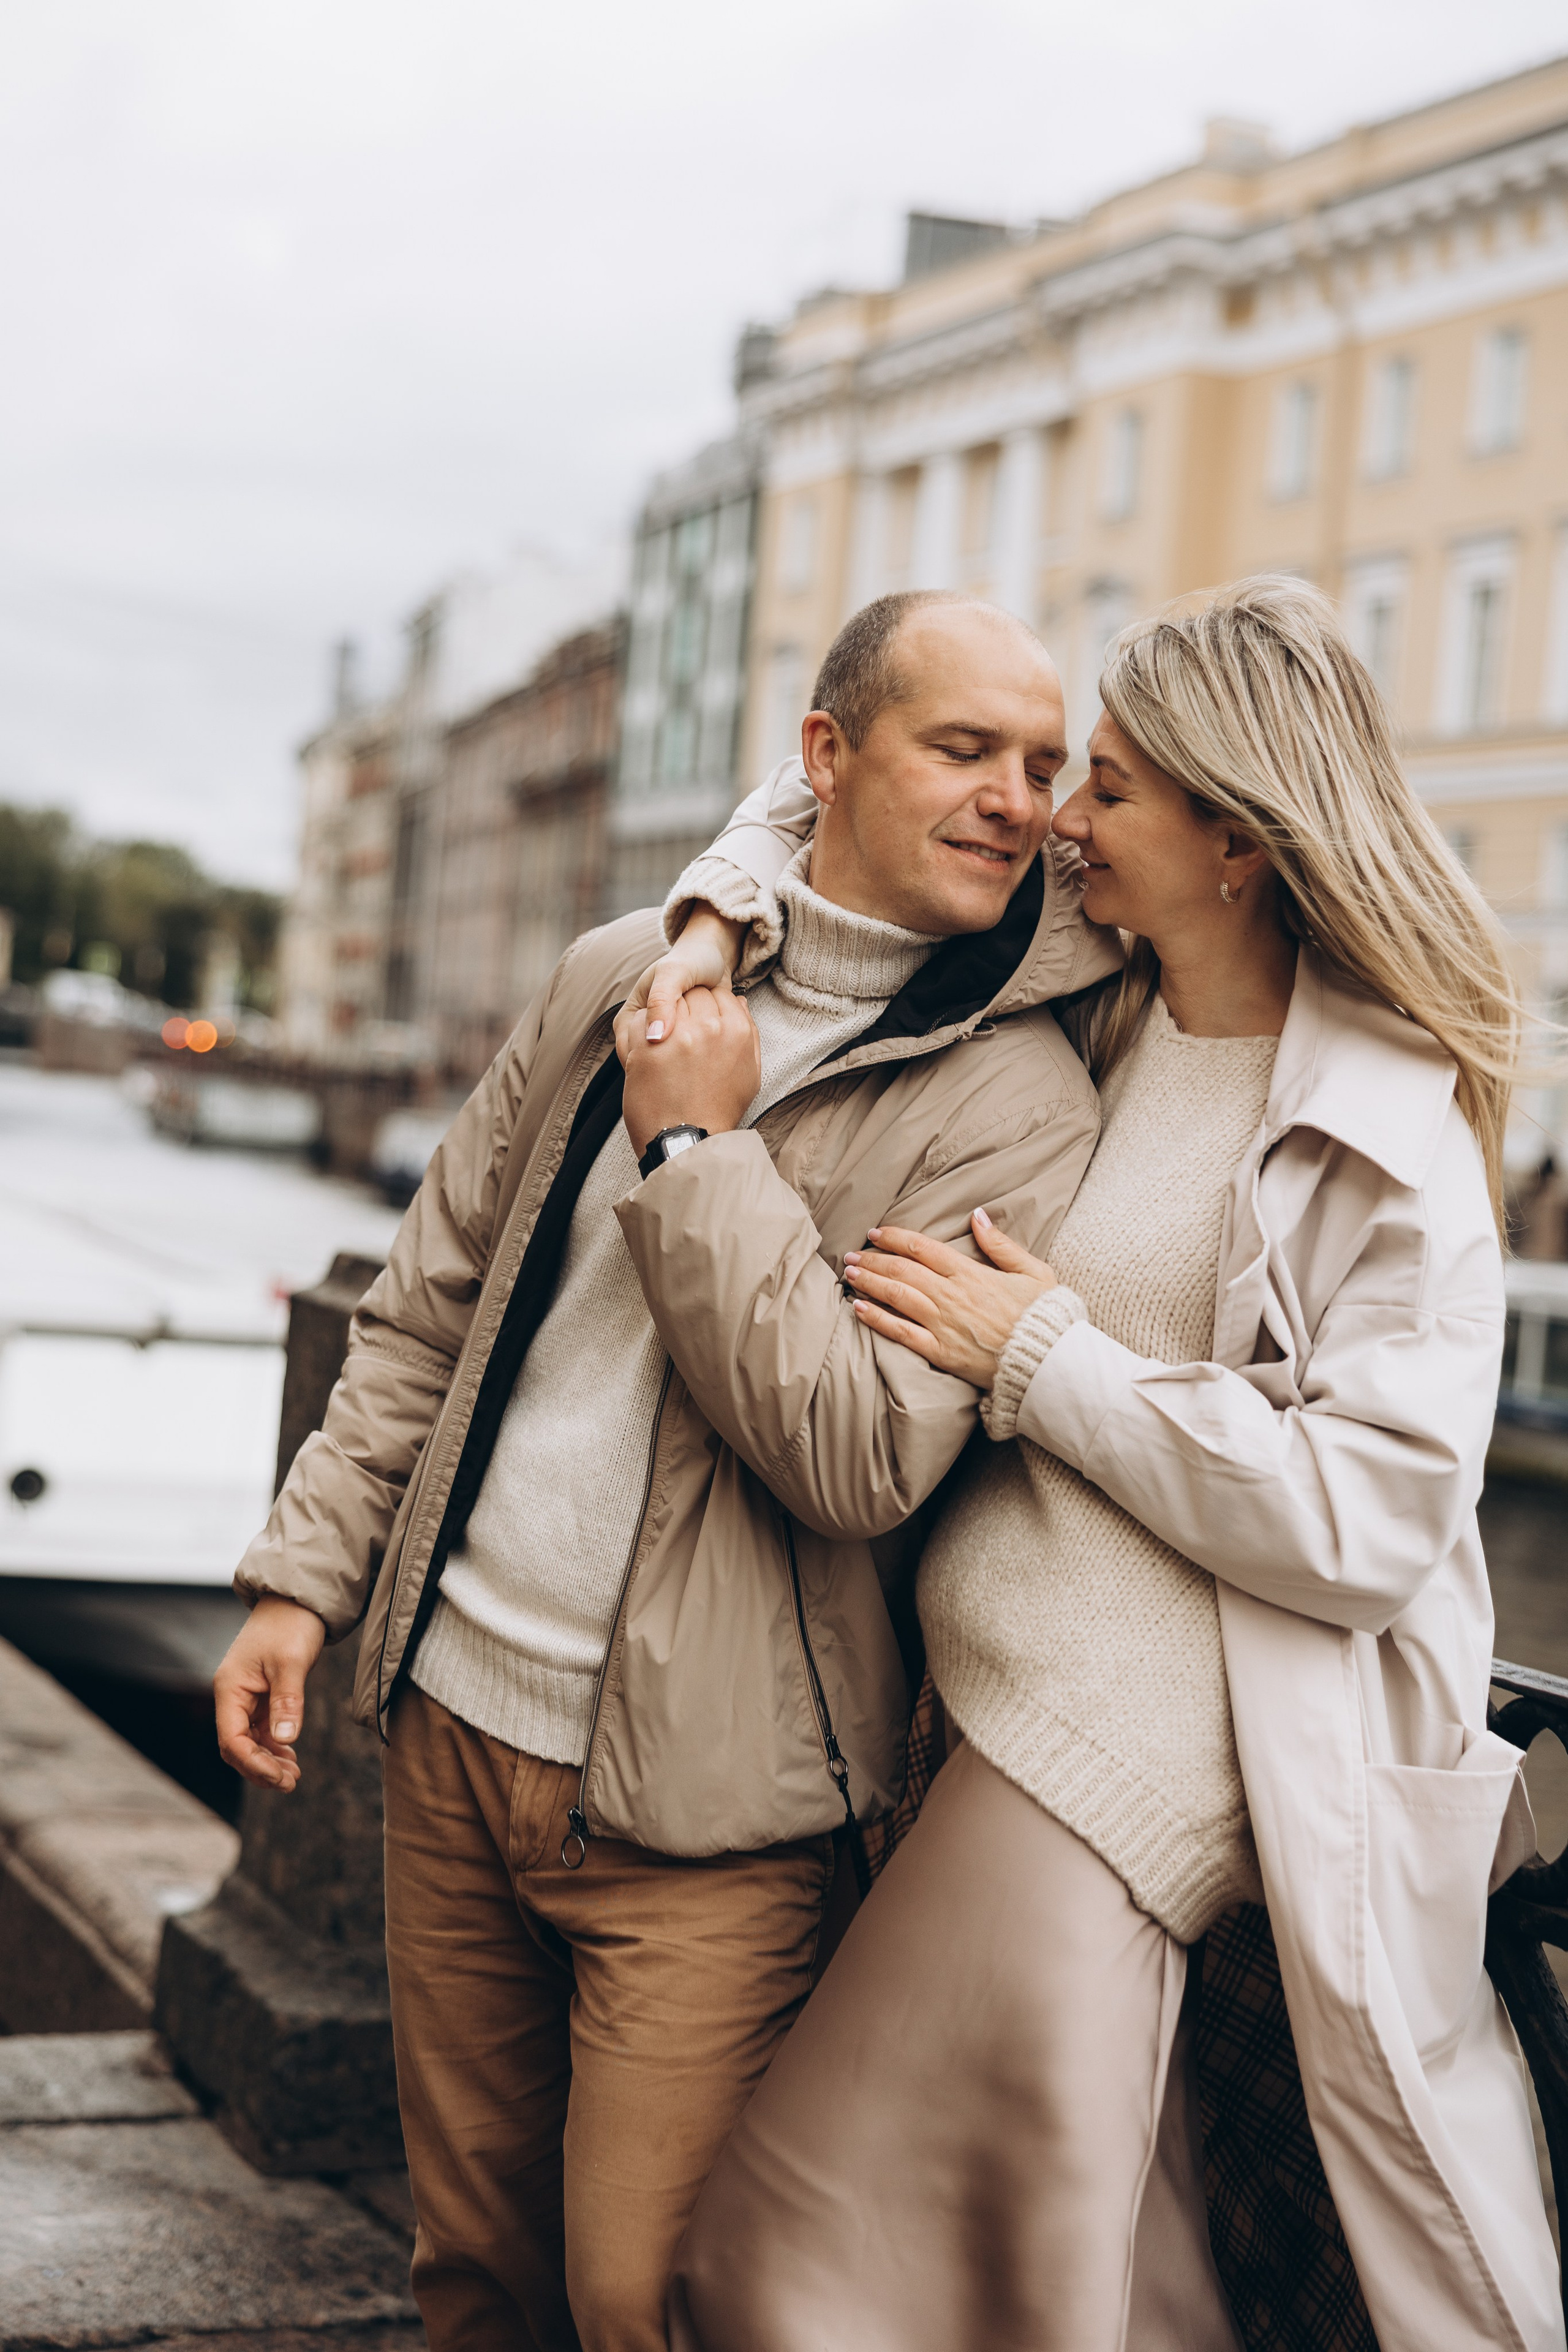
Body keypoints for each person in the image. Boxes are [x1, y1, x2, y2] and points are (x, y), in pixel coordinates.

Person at [647, 578, 1562, 2352]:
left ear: (1238, 838)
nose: (1068, 819)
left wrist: (1047, 1362)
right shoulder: (1104, 997)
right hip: (982, 1722)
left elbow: (1372, 1516)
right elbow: (825, 809)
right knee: (1094, 2289)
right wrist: (706, 918)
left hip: (1116, 1771)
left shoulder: (1391, 1128)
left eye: (1116, 786)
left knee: (785, 2269)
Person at [210, 589, 1118, 2352]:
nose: (1019, 798)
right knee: (472, 2272)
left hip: (713, 1819)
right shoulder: (621, 975)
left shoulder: (1016, 1101)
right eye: (963, 749)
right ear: (825, 758)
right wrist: (299, 1580)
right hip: (451, 1729)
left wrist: (699, 1147)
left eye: (1043, 762)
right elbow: (429, 1308)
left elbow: (856, 1454)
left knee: (650, 2304)